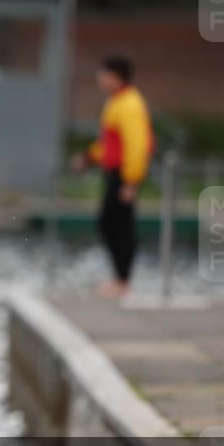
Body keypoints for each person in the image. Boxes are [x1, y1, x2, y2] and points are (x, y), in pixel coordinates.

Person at [71, 55, 155, 299]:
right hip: (115, 173)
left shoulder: (130, 104)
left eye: (105, 74)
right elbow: (108, 143)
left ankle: (123, 281)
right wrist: (88, 158)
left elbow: (137, 145)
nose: (100, 79)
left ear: (117, 77)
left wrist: (131, 181)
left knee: (118, 225)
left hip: (123, 175)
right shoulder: (116, 102)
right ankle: (120, 278)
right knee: (111, 223)